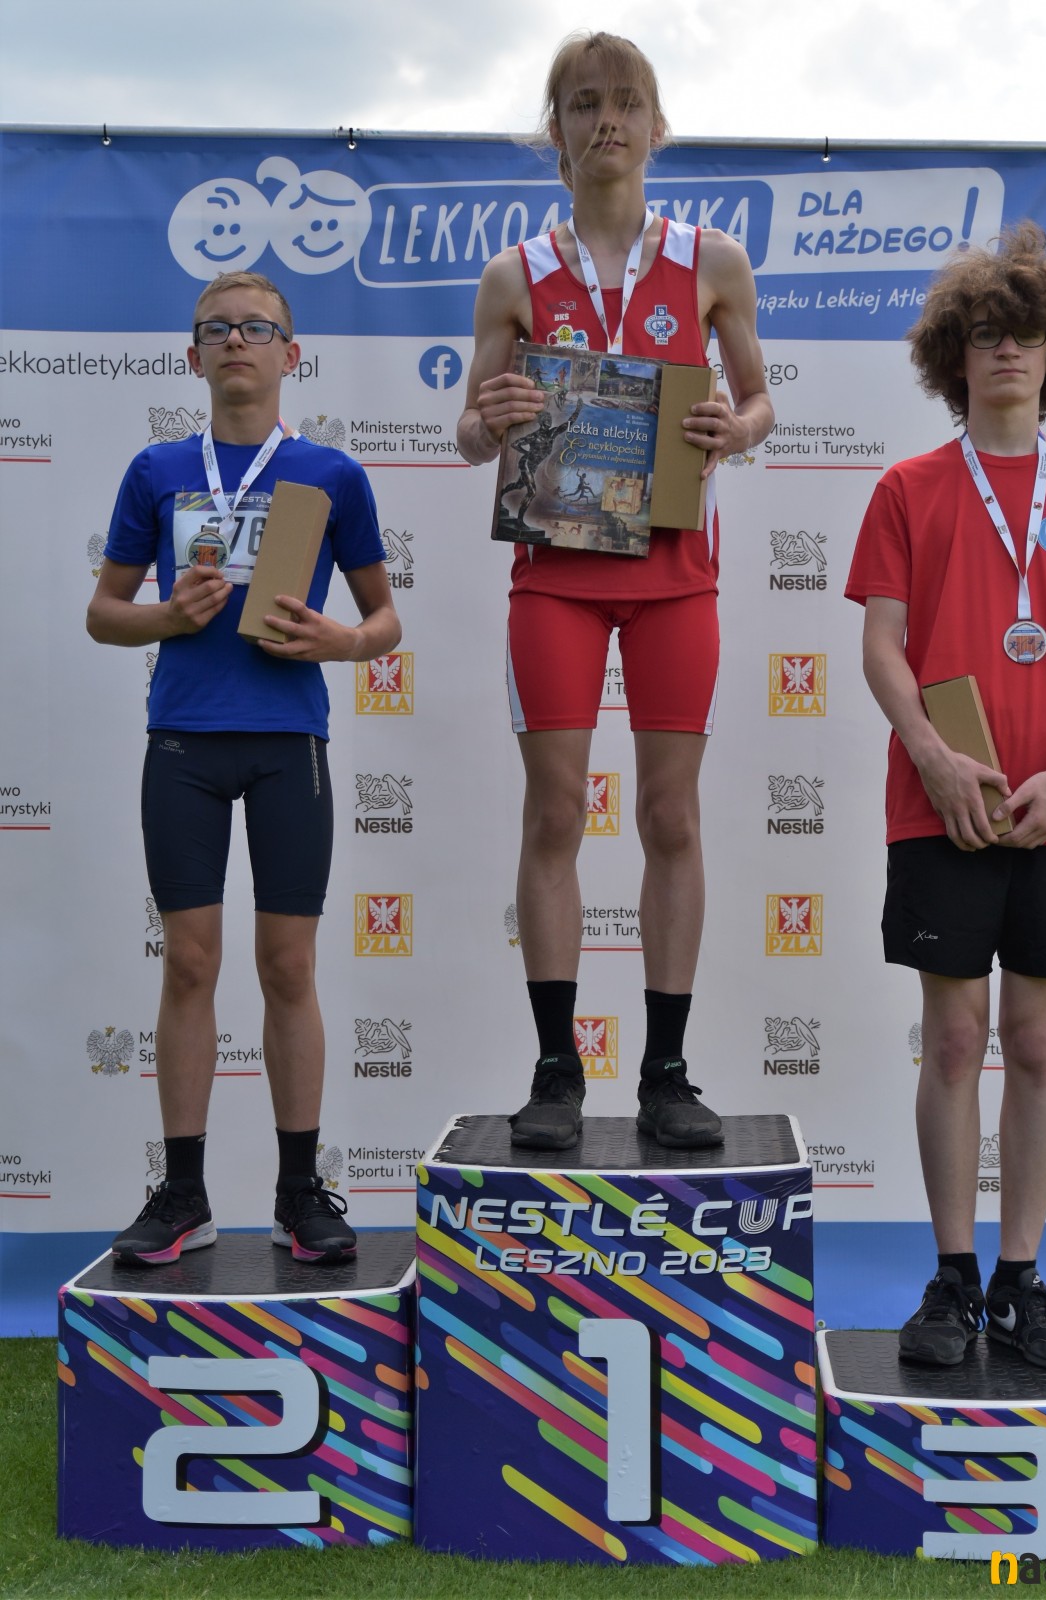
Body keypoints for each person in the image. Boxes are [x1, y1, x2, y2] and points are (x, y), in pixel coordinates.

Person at [457, 31, 773, 1150]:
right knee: (556, 812)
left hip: (674, 574)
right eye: (585, 103)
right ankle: (556, 1070)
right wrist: (489, 418)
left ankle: (667, 1071)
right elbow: (466, 432)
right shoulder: (514, 275)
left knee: (669, 815)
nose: (608, 122)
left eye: (627, 102)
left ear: (656, 125)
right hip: (556, 577)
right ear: (556, 129)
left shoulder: (712, 260)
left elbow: (759, 402)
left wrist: (735, 428)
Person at [845, 222, 1046, 1367]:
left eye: (1024, 333)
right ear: (953, 356)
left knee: (1034, 1040)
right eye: (984, 333)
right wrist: (929, 751)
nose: (1006, 349)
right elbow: (882, 643)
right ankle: (951, 1278)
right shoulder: (907, 488)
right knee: (953, 1038)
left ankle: (1021, 1281)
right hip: (943, 805)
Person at [87, 270, 401, 1265]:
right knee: (188, 963)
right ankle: (183, 1194)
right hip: (183, 742)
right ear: (193, 355)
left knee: (288, 966)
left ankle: (299, 1191)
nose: (236, 341)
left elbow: (384, 620)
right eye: (216, 328)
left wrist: (341, 643)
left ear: (289, 354)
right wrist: (166, 616)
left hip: (287, 742)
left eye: (256, 328)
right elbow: (103, 613)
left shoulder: (331, 474)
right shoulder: (156, 469)